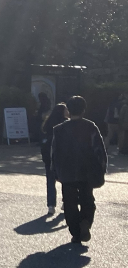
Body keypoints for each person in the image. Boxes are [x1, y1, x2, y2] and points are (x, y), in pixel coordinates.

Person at [50, 95, 107, 246]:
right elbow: (99, 150)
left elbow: (54, 153)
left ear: (68, 110)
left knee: (69, 203)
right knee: (87, 200)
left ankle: (75, 232)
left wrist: (55, 172)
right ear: (83, 110)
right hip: (87, 171)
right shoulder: (90, 127)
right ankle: (86, 222)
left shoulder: (59, 130)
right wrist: (101, 169)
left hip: (66, 172)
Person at [40, 101, 68, 215]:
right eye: (66, 110)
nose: (68, 112)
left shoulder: (48, 123)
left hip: (49, 156)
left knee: (50, 181)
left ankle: (51, 205)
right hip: (62, 156)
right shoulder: (66, 124)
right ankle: (65, 202)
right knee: (65, 181)